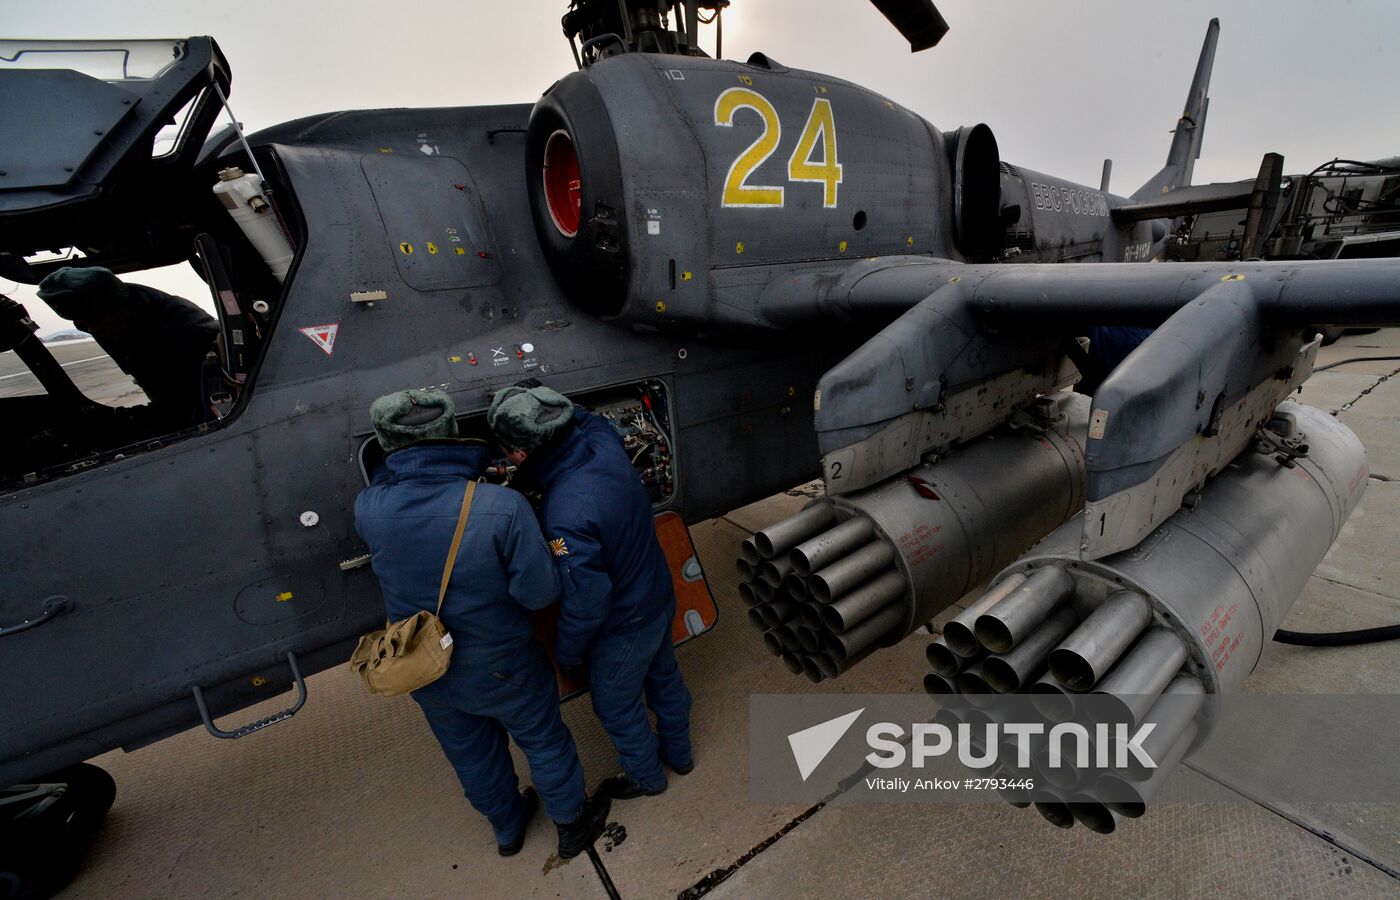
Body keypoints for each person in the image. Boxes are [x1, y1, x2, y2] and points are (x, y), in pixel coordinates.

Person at [354, 387, 609, 859]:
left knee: (470, 755)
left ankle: (508, 830)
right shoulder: (499, 507)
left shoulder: (369, 507)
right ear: (451, 432)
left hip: (424, 666)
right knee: (544, 741)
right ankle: (573, 826)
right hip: (502, 663)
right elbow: (540, 593)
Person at [488, 384, 693, 801]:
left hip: (623, 624)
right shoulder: (603, 442)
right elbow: (586, 417)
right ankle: (681, 753)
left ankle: (646, 777)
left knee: (615, 705)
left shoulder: (566, 511)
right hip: (655, 594)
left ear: (521, 454)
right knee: (665, 678)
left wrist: (568, 651)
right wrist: (532, 399)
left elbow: (586, 598)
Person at [36, 266, 219, 429]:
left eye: (97, 320)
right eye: (84, 322)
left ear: (120, 308)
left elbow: (190, 396)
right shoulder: (107, 319)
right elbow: (143, 374)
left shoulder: (184, 331)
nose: (93, 328)